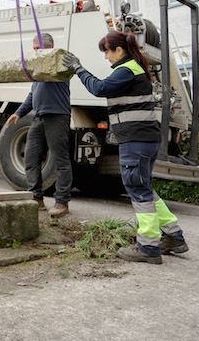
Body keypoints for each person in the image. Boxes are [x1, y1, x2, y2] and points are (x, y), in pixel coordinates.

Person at [63, 31, 189, 264]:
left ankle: (148, 247)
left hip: (136, 140)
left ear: (118, 51)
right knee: (144, 187)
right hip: (143, 139)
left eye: (107, 52)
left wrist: (78, 69)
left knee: (137, 188)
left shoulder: (127, 70)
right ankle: (173, 236)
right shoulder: (134, 69)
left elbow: (99, 88)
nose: (106, 57)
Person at [4, 33, 73, 217]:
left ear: (50, 47)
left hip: (57, 117)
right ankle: (36, 198)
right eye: (34, 48)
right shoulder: (38, 69)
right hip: (39, 117)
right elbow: (32, 95)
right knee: (31, 156)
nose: (35, 52)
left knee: (60, 160)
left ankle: (62, 202)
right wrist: (18, 113)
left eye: (38, 48)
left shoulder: (59, 63)